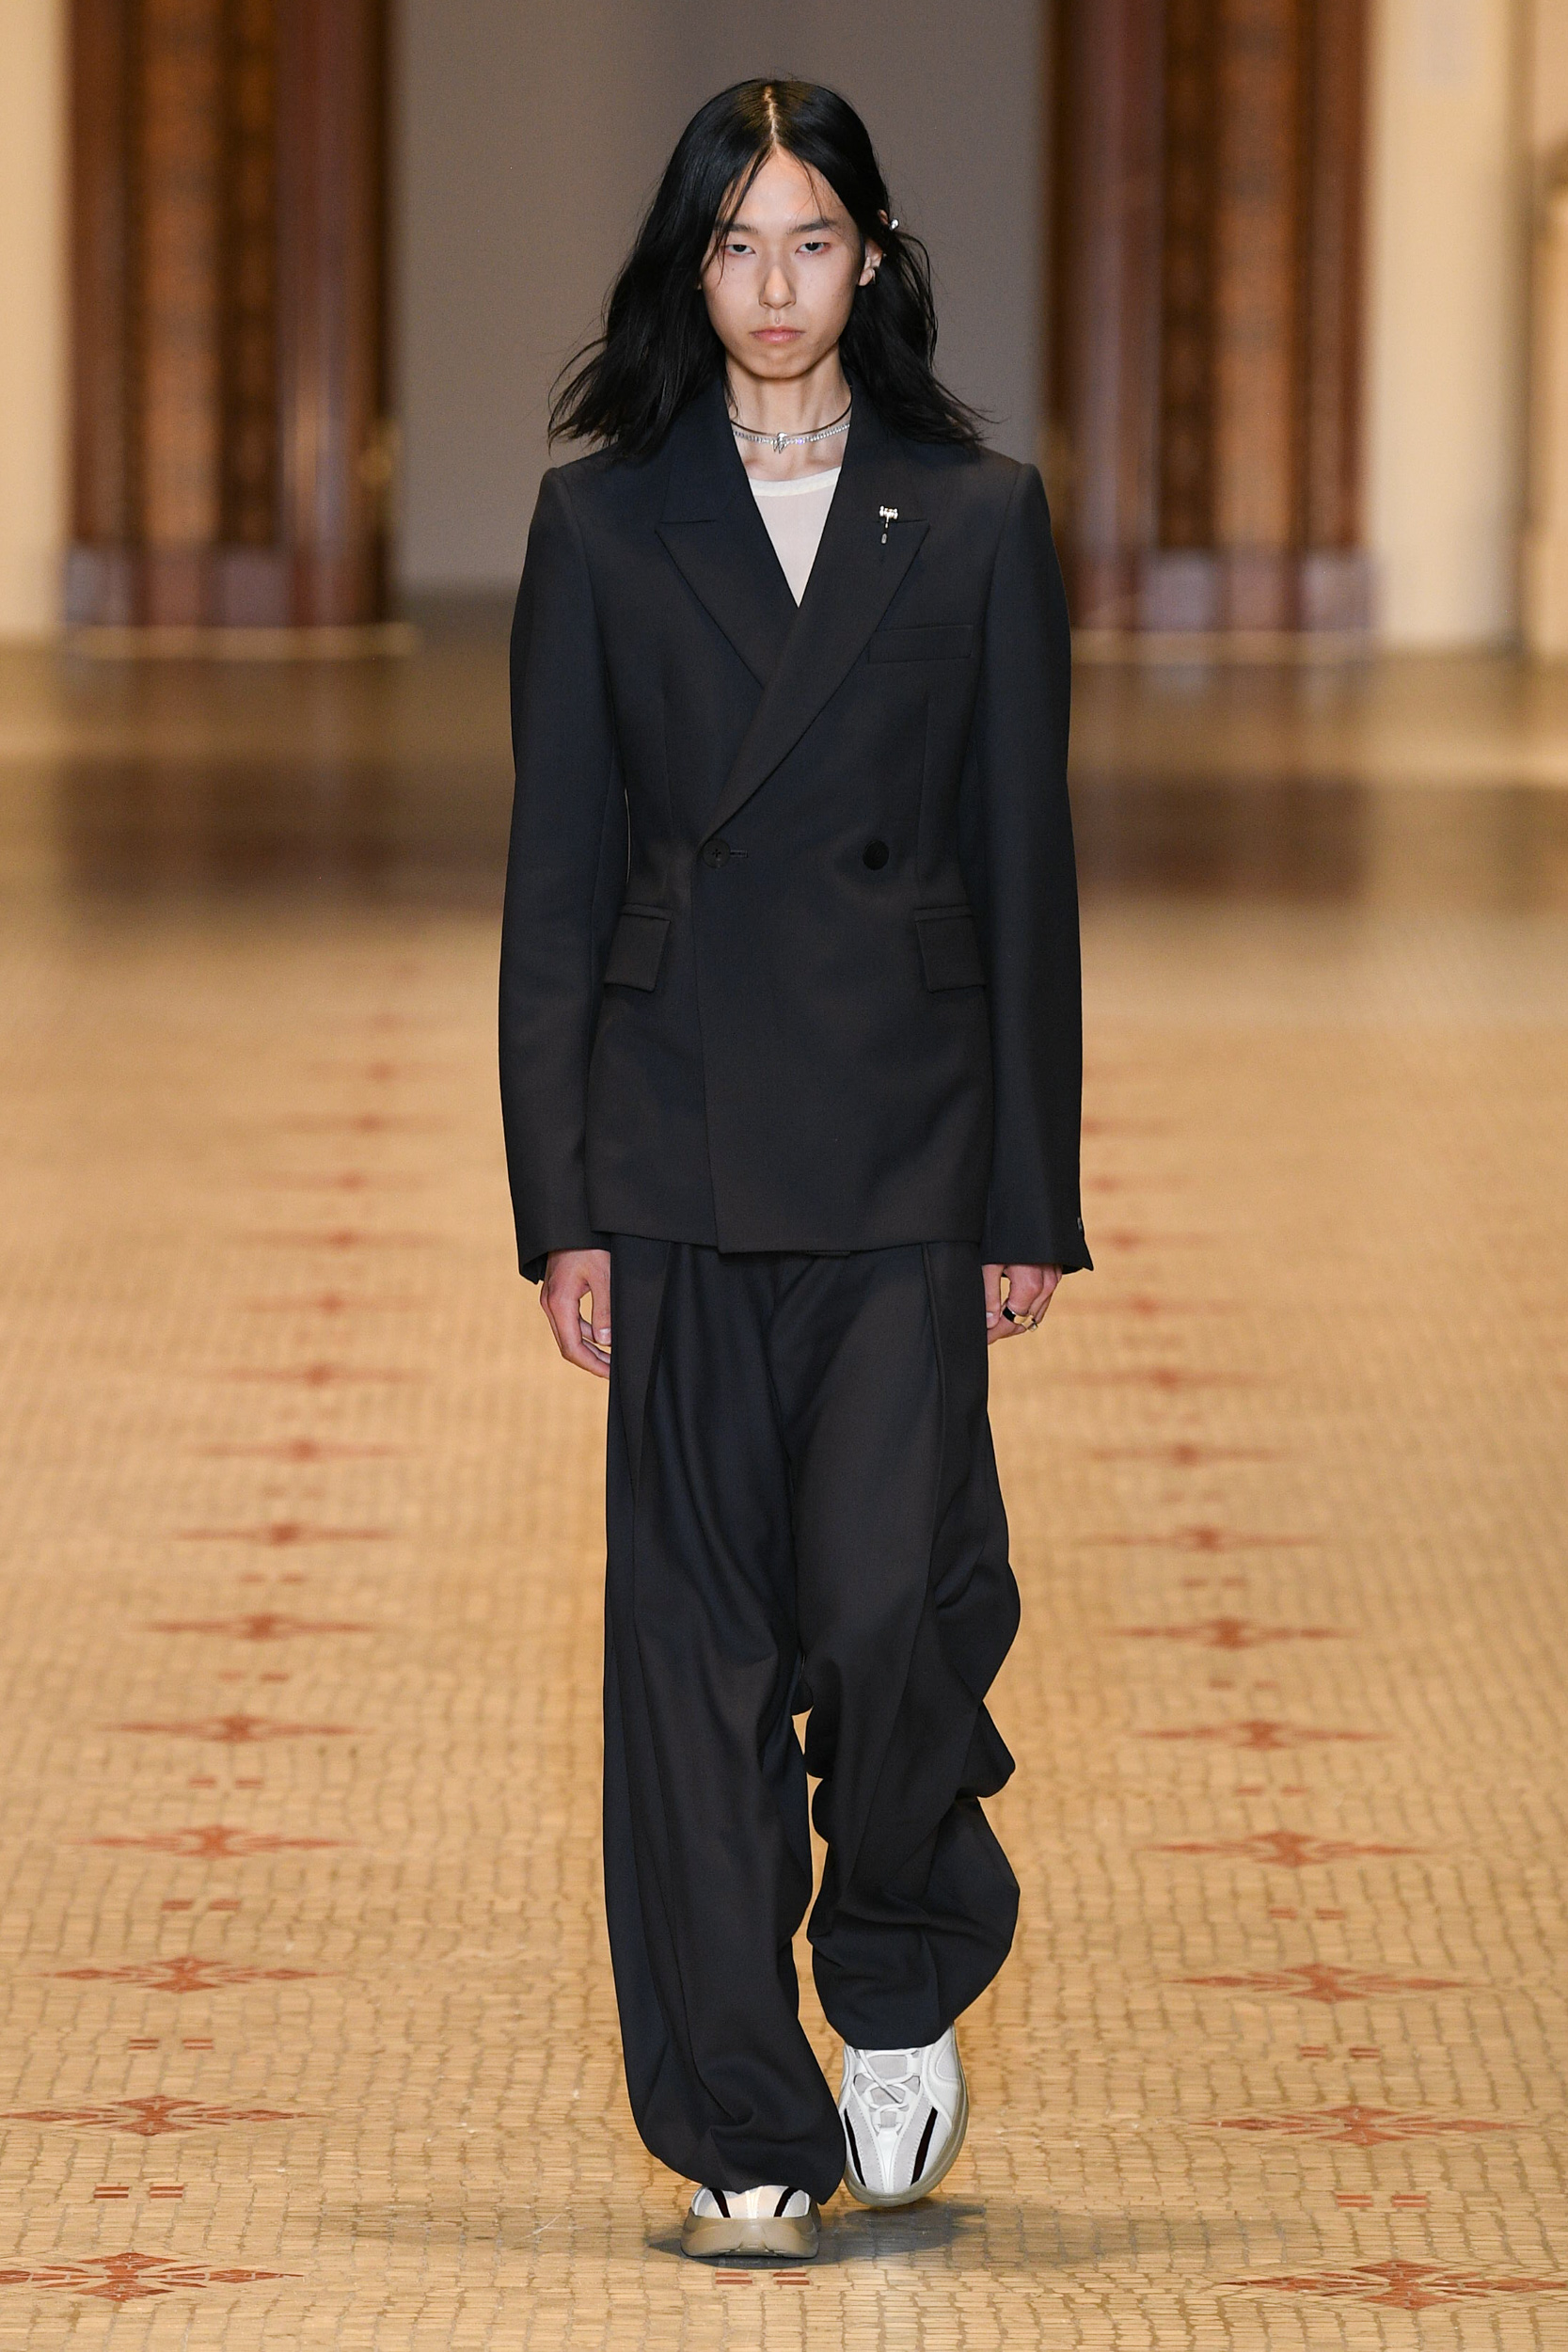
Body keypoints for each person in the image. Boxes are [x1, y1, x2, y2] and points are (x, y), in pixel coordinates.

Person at [499, 76, 1089, 2264]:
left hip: (909, 1139)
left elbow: (1023, 876)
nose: (774, 284)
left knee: (887, 1608)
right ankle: (741, 2118)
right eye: (738, 243)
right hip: (673, 1141)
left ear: (871, 258)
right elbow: (555, 888)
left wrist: (1028, 1193)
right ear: (693, 266)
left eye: (813, 239)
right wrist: (561, 1197)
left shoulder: (979, 517)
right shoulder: (599, 526)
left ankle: (901, 1961)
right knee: (696, 1653)